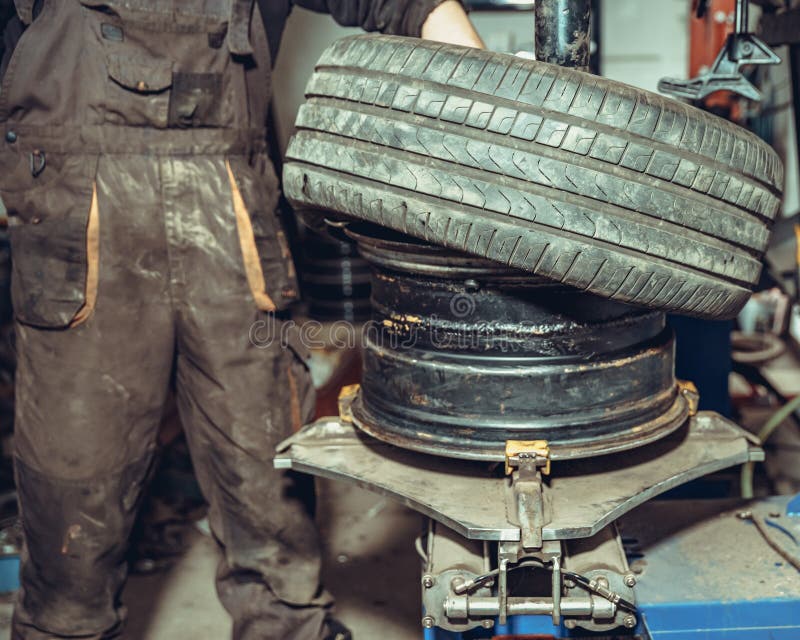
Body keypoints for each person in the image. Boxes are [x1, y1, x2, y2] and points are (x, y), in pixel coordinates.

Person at [0, 1, 483, 638]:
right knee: (73, 506)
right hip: (76, 220)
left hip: (230, 213)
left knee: (265, 479)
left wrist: (491, 100)